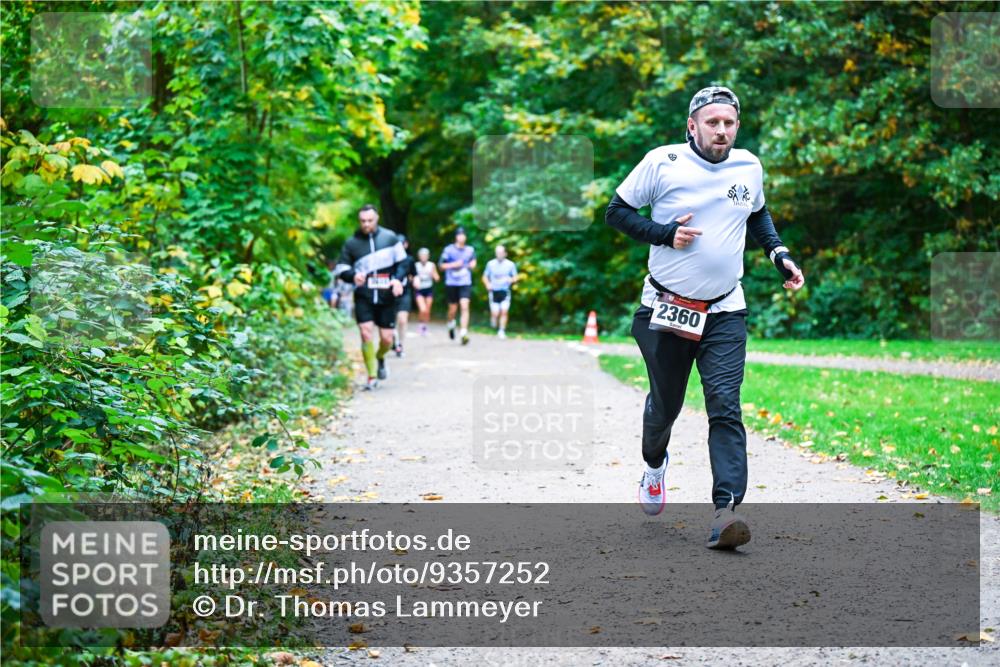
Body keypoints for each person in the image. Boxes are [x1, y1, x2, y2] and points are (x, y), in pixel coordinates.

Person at [605, 86, 805, 549]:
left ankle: (725, 511)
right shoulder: (662, 162)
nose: (721, 130)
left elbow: (758, 215)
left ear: (737, 126)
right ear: (692, 126)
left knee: (725, 405)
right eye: (712, 122)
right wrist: (664, 233)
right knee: (666, 405)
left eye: (729, 123)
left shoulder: (748, 166)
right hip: (668, 307)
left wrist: (779, 254)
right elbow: (616, 212)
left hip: (724, 309)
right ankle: (654, 464)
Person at [334, 204, 408, 390]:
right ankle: (371, 376)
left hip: (386, 296)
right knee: (366, 332)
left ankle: (380, 356)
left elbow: (404, 263)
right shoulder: (351, 243)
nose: (366, 224)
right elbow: (341, 269)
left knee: (387, 339)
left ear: (377, 219)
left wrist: (397, 280)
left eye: (370, 220)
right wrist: (353, 276)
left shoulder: (390, 238)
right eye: (363, 221)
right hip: (364, 296)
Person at [439, 227, 476, 345]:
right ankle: (451, 324)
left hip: (465, 282)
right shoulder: (448, 250)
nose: (462, 237)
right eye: (460, 235)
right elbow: (441, 265)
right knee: (452, 309)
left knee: (465, 306)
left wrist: (472, 265)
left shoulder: (470, 250)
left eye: (464, 235)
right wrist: (454, 264)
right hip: (451, 283)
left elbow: (473, 262)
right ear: (456, 237)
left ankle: (464, 333)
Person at [481, 245, 519, 338]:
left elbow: (516, 277)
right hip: (494, 291)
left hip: (505, 291)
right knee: (496, 313)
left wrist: (511, 280)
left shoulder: (510, 264)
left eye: (501, 252)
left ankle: (501, 331)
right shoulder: (490, 264)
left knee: (504, 311)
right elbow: (484, 276)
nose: (499, 254)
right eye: (497, 252)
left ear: (505, 254)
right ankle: (494, 319)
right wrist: (487, 284)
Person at [393, 234, 418, 357]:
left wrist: (416, 281)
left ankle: (400, 345)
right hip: (389, 294)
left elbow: (414, 274)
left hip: (405, 292)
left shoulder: (409, 260)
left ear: (406, 245)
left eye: (401, 244)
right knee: (391, 321)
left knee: (402, 320)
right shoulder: (388, 260)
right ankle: (393, 338)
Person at [413, 247, 439, 336]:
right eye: (422, 255)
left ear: (428, 256)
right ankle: (420, 326)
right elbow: (411, 277)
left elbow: (437, 278)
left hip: (429, 289)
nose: (423, 257)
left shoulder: (431, 265)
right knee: (422, 309)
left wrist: (433, 274)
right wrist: (415, 280)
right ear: (419, 256)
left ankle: (424, 328)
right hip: (419, 290)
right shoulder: (416, 265)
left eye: (425, 255)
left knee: (427, 310)